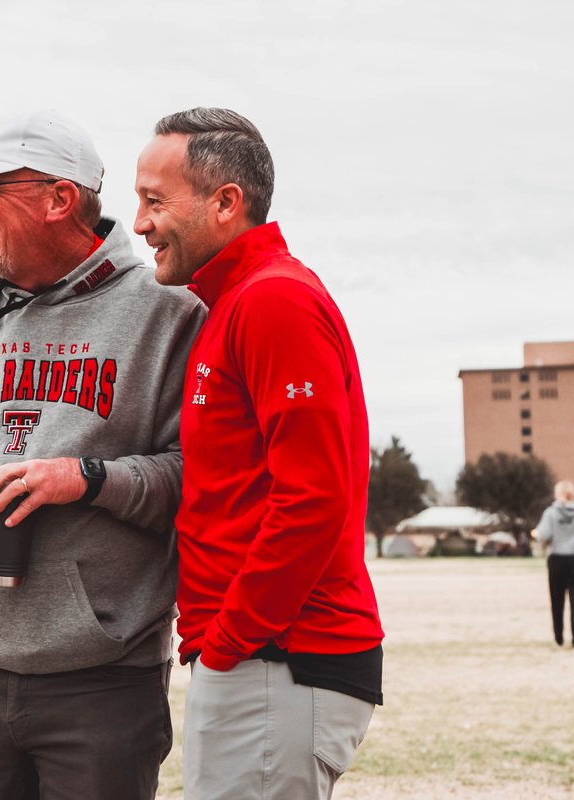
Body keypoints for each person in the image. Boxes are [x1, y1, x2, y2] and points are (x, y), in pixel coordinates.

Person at [0, 109, 204, 799]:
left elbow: (200, 475)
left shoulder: (170, 313)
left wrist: (87, 479)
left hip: (101, 684)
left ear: (58, 199)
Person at [133, 107, 384, 800]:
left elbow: (313, 497)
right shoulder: (230, 304)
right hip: (259, 658)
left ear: (225, 202)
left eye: (154, 201)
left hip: (280, 658)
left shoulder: (273, 301)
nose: (139, 223)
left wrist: (230, 639)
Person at [533, 479, 574, 648]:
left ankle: (559, 637)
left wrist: (536, 534)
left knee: (557, 600)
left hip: (557, 559)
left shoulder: (550, 513)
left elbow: (543, 535)